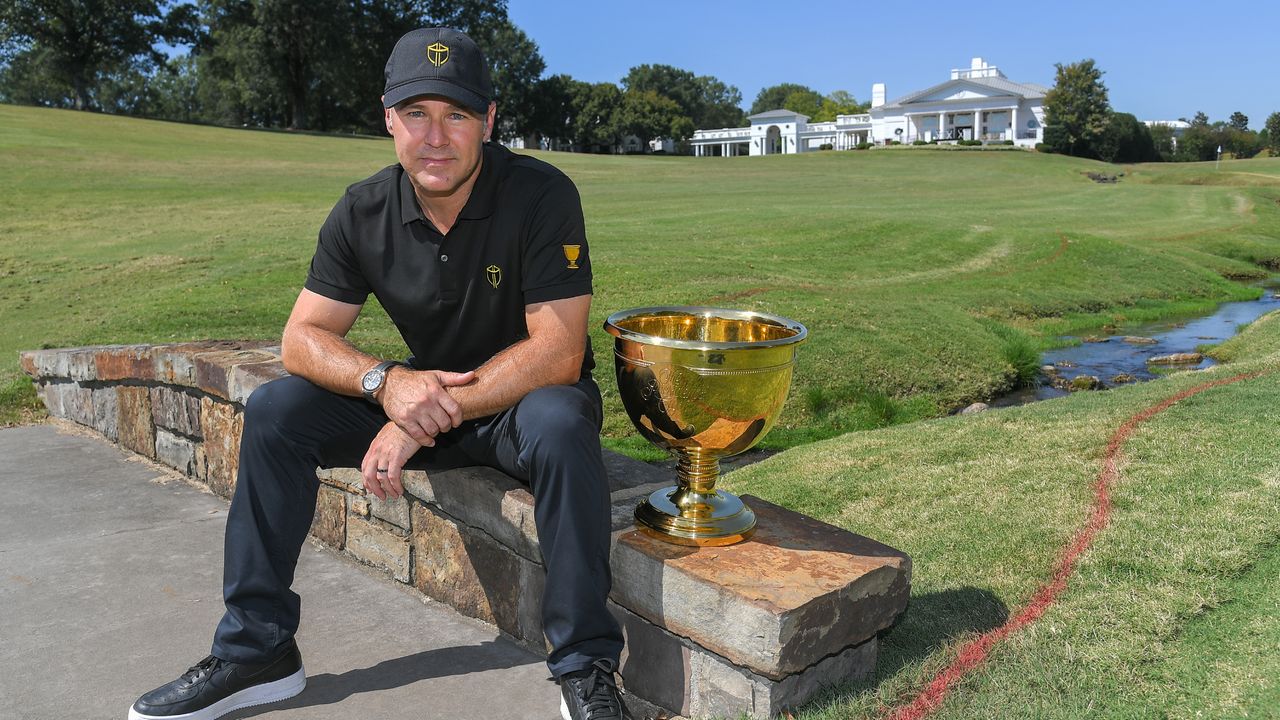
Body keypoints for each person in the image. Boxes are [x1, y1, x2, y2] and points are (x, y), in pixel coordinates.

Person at [129, 27, 628, 720]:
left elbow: (558, 351)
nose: (436, 137)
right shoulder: (363, 210)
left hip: (521, 408)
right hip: (420, 395)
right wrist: (386, 385)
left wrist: (414, 422)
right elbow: (302, 338)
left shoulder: (541, 195)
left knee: (565, 416)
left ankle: (585, 668)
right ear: (387, 119)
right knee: (276, 410)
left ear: (488, 121)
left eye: (457, 115)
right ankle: (256, 651)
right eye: (416, 114)